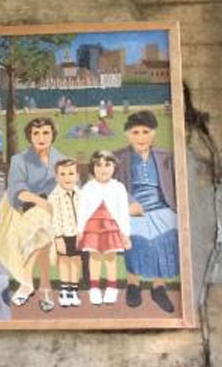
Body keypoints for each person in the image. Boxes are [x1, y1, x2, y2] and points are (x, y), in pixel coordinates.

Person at [0, 117, 66, 312]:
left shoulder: (60, 159)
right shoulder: (20, 160)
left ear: (53, 135)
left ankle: (30, 283)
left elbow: (69, 186)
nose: (41, 137)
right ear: (30, 137)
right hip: (21, 207)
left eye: (46, 133)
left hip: (50, 210)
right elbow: (18, 191)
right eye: (36, 133)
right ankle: (44, 286)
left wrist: (53, 205)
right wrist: (42, 202)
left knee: (43, 228)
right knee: (40, 225)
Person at [114, 110, 178, 313]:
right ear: (127, 134)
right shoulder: (118, 158)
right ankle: (134, 284)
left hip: (162, 206)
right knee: (135, 237)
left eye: (145, 132)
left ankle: (159, 287)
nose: (140, 137)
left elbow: (175, 185)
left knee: (166, 234)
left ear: (153, 133)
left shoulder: (166, 156)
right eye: (135, 132)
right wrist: (129, 203)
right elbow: (111, 185)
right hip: (132, 209)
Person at [77, 150, 131, 305]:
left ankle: (111, 288)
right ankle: (94, 288)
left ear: (114, 167)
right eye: (98, 165)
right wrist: (80, 230)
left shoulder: (118, 187)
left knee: (110, 258)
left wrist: (125, 233)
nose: (103, 169)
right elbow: (82, 210)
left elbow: (123, 211)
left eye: (107, 165)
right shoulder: (88, 187)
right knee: (94, 257)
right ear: (92, 168)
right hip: (92, 227)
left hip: (111, 228)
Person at [49, 159, 83, 308]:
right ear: (56, 177)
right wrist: (58, 237)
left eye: (71, 173)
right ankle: (64, 290)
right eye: (62, 174)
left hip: (77, 235)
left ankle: (73, 290)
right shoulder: (55, 196)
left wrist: (82, 233)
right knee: (64, 261)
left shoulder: (80, 194)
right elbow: (55, 218)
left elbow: (84, 215)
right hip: (63, 235)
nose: (67, 177)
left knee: (75, 261)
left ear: (77, 176)